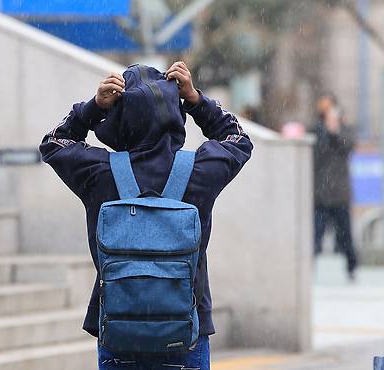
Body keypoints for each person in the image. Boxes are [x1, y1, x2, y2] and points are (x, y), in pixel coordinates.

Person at [39, 61, 252, 370]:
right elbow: (239, 140)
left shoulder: (100, 173)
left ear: (120, 121)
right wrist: (195, 100)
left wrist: (93, 108)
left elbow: (53, 144)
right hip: (185, 335)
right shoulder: (200, 171)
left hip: (119, 335)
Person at [312, 93, 358, 280]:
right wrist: (326, 131)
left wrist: (335, 130)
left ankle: (352, 267)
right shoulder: (316, 130)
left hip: (340, 193)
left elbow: (348, 147)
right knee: (315, 235)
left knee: (346, 235)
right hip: (320, 194)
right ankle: (309, 268)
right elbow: (315, 153)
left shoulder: (344, 129)